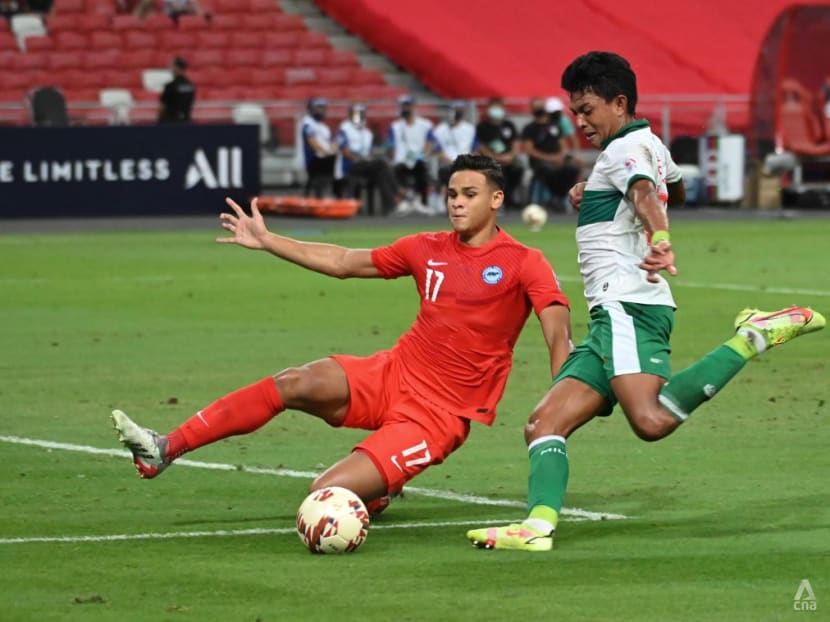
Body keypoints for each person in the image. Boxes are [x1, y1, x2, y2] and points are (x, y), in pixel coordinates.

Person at [466, 51, 826, 552]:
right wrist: (593, 191)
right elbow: (668, 190)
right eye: (575, 111)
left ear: (619, 102)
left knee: (652, 420)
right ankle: (536, 528)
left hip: (628, 306)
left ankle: (756, 335)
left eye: (588, 109)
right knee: (543, 423)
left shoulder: (623, 153)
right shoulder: (647, 144)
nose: (581, 121)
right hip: (608, 316)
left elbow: (642, 193)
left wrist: (658, 235)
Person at [111, 154, 573, 519]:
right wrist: (271, 241)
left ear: (495, 200)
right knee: (295, 381)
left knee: (323, 498)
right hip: (392, 373)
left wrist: (561, 392)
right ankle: (165, 448)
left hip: (438, 415)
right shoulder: (424, 247)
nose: (456, 202)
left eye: (469, 194)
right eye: (451, 193)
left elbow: (556, 329)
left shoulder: (523, 261)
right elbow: (343, 262)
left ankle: (377, 489)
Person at [334, 102, 404, 215]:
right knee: (381, 164)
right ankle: (398, 192)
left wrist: (366, 159)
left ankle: (389, 207)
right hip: (350, 165)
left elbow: (369, 153)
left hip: (365, 165)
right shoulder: (344, 128)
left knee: (381, 173)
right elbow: (345, 151)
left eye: (360, 113)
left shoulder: (367, 133)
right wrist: (360, 158)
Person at [521, 96, 583, 211]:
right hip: (540, 161)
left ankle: (571, 199)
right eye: (536, 107)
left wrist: (560, 157)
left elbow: (563, 146)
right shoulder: (529, 128)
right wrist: (551, 158)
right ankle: (553, 199)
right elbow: (530, 150)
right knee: (548, 170)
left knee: (572, 167)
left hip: (558, 158)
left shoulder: (555, 126)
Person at [386, 94, 440, 215]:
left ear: (413, 107)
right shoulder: (395, 126)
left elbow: (430, 142)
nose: (405, 109)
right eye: (403, 106)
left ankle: (421, 202)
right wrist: (395, 156)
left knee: (422, 169)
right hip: (401, 161)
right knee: (397, 170)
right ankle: (404, 201)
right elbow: (390, 146)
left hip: (418, 159)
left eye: (407, 106)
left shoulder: (425, 125)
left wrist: (423, 154)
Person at [475, 97, 524, 209]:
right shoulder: (482, 126)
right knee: (496, 171)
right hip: (490, 159)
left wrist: (511, 156)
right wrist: (495, 157)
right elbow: (480, 146)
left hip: (508, 158)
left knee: (518, 167)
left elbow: (516, 143)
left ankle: (509, 196)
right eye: (494, 107)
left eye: (499, 107)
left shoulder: (509, 125)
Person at [297, 96, 337, 198]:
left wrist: (334, 149)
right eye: (318, 107)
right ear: (311, 109)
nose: (321, 110)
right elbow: (312, 142)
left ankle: (338, 193)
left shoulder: (324, 127)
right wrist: (327, 152)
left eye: (323, 108)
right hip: (313, 158)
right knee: (334, 160)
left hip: (324, 157)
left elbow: (331, 142)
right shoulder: (307, 123)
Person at [433, 100, 478, 189]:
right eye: (455, 109)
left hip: (466, 165)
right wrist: (453, 163)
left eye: (459, 109)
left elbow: (475, 150)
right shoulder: (439, 130)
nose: (457, 112)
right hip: (448, 165)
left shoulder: (470, 129)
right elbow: (438, 153)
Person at [157, 56, 195, 124]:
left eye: (172, 66)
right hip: (186, 122)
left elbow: (162, 107)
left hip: (171, 123)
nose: (170, 68)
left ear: (177, 67)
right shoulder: (191, 85)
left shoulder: (170, 86)